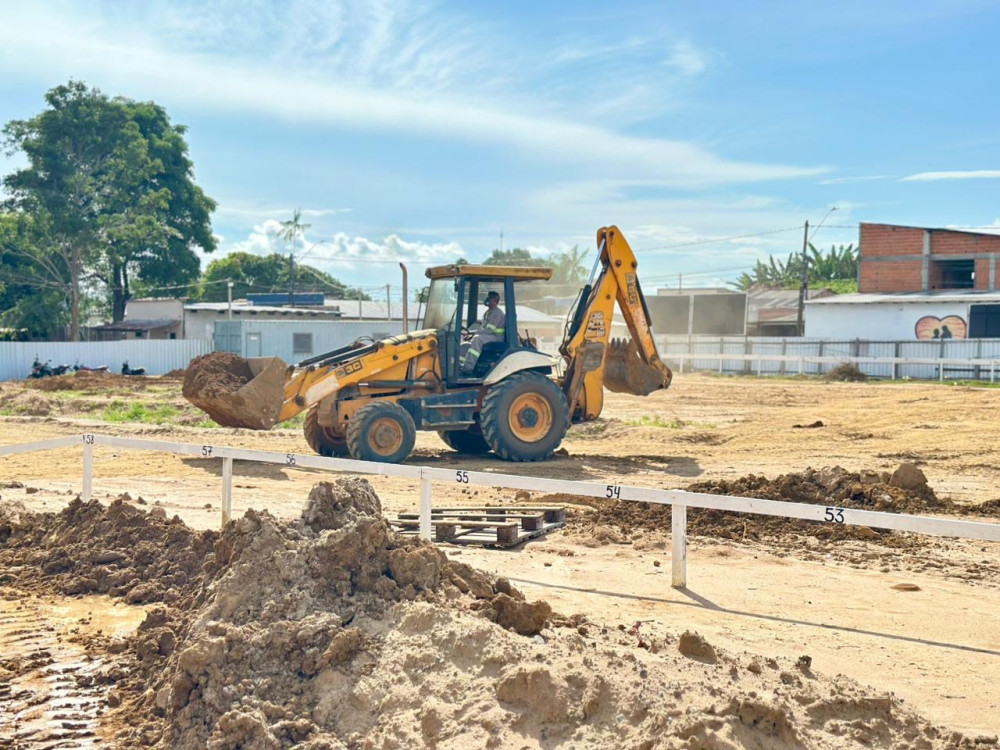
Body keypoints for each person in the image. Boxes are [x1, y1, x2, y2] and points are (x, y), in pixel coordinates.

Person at [462, 290, 505, 373]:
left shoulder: (496, 313)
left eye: (490, 298)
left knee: (477, 339)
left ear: (495, 301)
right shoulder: (489, 312)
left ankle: (468, 368)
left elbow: (489, 330)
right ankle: (463, 365)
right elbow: (484, 329)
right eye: (488, 297)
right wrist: (470, 334)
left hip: (496, 337)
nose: (488, 299)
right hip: (491, 336)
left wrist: (473, 333)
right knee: (466, 344)